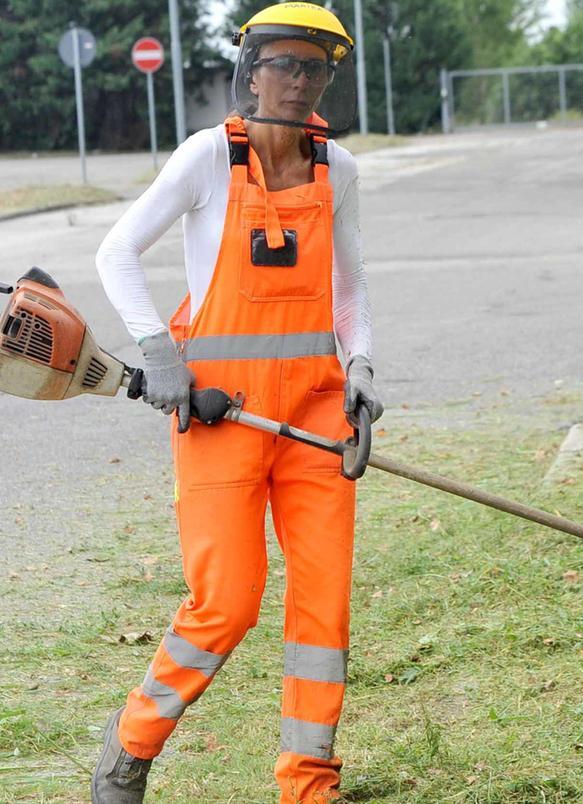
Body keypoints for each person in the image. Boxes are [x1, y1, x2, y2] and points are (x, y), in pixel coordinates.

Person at [91, 4, 382, 802]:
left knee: (322, 607)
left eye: (313, 69)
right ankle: (128, 751)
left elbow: (348, 288)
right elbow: (116, 252)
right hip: (221, 417)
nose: (296, 81)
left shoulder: (339, 168)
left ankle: (308, 784)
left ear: (327, 82)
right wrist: (159, 353)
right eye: (282, 64)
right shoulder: (206, 159)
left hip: (318, 418)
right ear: (250, 71)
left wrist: (359, 368)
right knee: (226, 601)